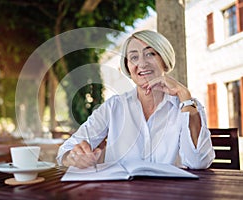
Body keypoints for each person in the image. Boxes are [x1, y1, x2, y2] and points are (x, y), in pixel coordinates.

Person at [56, 30, 215, 169]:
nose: (142, 63)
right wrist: (73, 157)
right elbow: (64, 151)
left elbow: (198, 163)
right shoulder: (113, 107)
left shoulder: (188, 106)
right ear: (127, 67)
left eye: (150, 54)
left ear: (165, 61)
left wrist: (184, 95)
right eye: (133, 57)